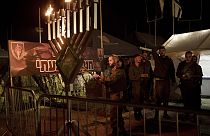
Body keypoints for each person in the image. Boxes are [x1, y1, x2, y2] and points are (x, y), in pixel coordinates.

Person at [99, 54, 127, 136]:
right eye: (108, 60)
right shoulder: (112, 69)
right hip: (114, 94)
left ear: (115, 61)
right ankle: (122, 130)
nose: (109, 62)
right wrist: (100, 78)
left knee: (114, 113)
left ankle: (116, 130)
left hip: (117, 94)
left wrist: (101, 79)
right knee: (117, 114)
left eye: (111, 60)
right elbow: (107, 80)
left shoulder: (120, 71)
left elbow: (110, 81)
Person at [176, 51, 203, 119]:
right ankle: (186, 114)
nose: (188, 58)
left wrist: (191, 76)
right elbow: (178, 73)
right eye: (187, 57)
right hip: (184, 86)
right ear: (185, 57)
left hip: (193, 86)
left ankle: (194, 116)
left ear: (191, 57)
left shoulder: (196, 66)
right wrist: (182, 76)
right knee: (186, 101)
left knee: (194, 101)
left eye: (189, 57)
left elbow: (199, 75)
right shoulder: (181, 64)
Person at [152, 46, 176, 119]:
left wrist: (173, 80)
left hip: (166, 81)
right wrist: (159, 46)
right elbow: (153, 50)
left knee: (166, 98)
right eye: (160, 51)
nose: (162, 52)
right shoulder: (157, 58)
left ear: (165, 51)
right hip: (159, 80)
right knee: (158, 98)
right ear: (159, 52)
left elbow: (172, 70)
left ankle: (165, 113)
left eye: (163, 50)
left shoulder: (169, 60)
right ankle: (156, 114)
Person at [128, 54, 144, 121]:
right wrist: (140, 76)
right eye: (138, 57)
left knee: (141, 100)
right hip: (135, 86)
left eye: (140, 57)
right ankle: (136, 113)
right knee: (136, 101)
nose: (140, 58)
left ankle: (140, 112)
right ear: (135, 59)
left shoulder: (141, 66)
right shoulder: (131, 67)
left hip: (141, 86)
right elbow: (131, 77)